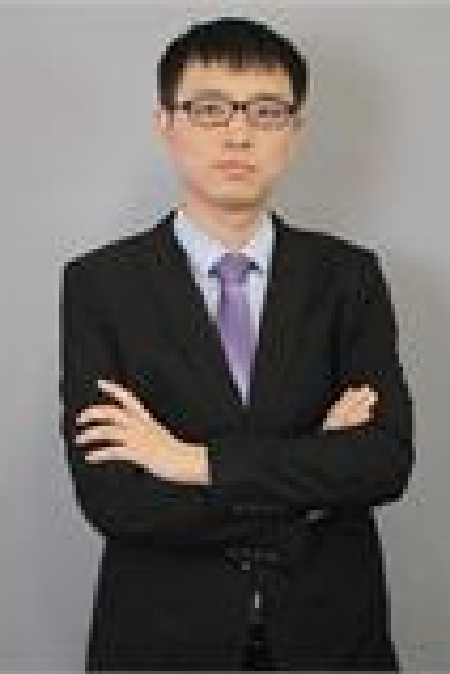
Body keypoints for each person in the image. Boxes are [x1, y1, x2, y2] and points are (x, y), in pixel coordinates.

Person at [60, 16, 415, 671]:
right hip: (163, 640)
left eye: (267, 111)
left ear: (295, 131)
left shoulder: (349, 277)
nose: (238, 133)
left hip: (331, 636)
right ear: (166, 124)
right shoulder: (100, 284)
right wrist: (313, 476)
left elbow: (384, 462)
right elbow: (116, 499)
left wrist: (191, 461)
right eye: (209, 108)